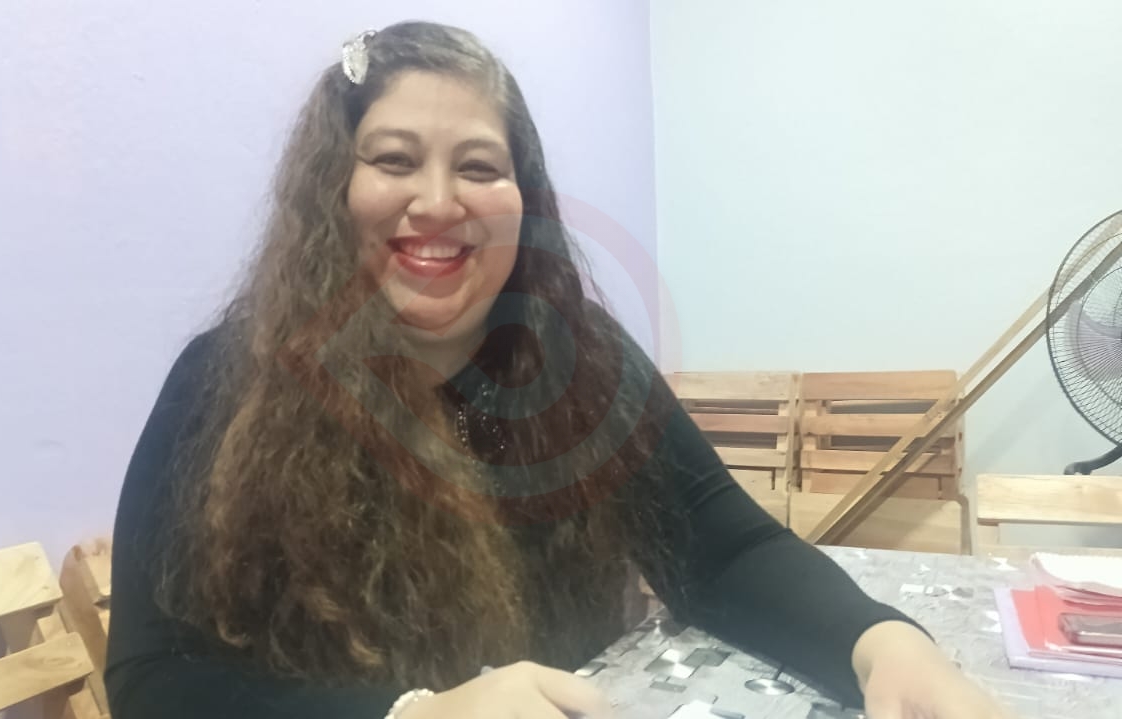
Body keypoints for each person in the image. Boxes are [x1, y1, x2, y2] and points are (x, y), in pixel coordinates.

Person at [105, 21, 1012, 719]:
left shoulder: (581, 363)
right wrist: (411, 714)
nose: (438, 201)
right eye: (393, 160)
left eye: (479, 166)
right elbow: (151, 681)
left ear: (524, 201)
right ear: (333, 190)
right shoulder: (225, 382)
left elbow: (726, 551)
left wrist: (883, 644)